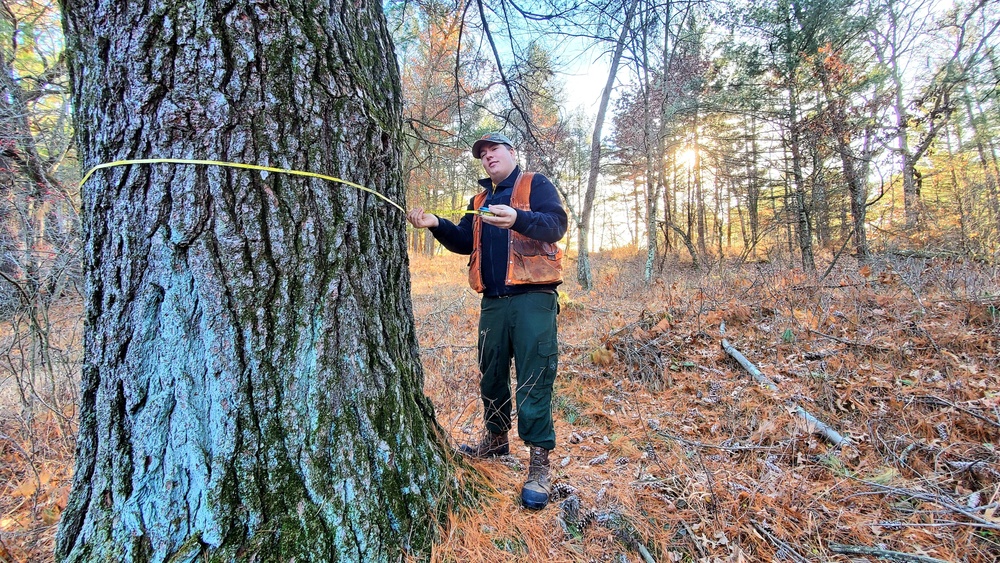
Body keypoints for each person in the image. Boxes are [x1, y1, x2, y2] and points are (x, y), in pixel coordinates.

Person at [407, 132, 568, 510]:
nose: (487, 157)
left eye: (494, 150)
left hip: (533, 298)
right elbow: (465, 240)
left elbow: (555, 224)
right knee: (491, 373)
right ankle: (495, 441)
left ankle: (539, 466)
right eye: (482, 154)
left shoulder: (534, 184)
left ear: (512, 153)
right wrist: (436, 223)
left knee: (533, 376)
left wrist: (518, 219)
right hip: (493, 303)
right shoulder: (479, 200)